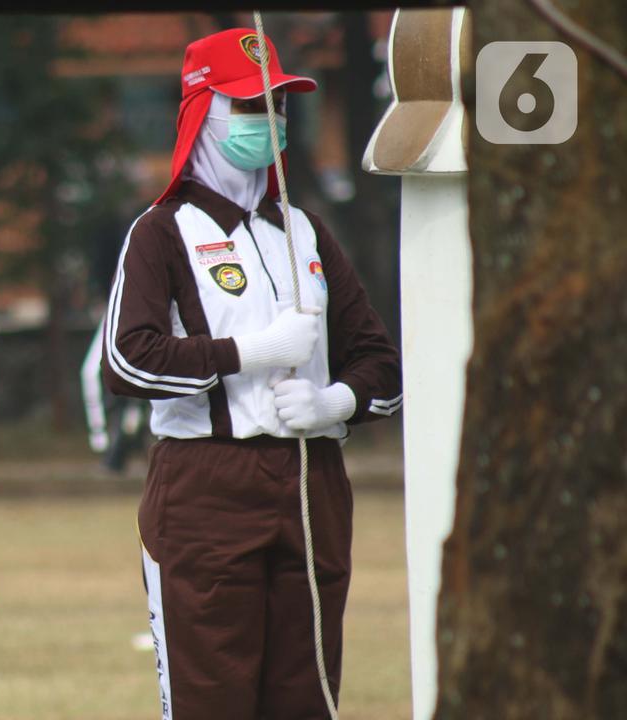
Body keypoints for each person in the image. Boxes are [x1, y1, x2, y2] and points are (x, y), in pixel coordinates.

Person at [101, 29, 402, 719]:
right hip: (208, 483)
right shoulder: (162, 231)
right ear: (202, 113)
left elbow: (382, 362)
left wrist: (337, 401)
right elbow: (126, 358)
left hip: (311, 481)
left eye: (279, 108)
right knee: (213, 695)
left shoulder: (305, 230)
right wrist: (248, 353)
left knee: (309, 694)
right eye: (247, 108)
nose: (269, 124)